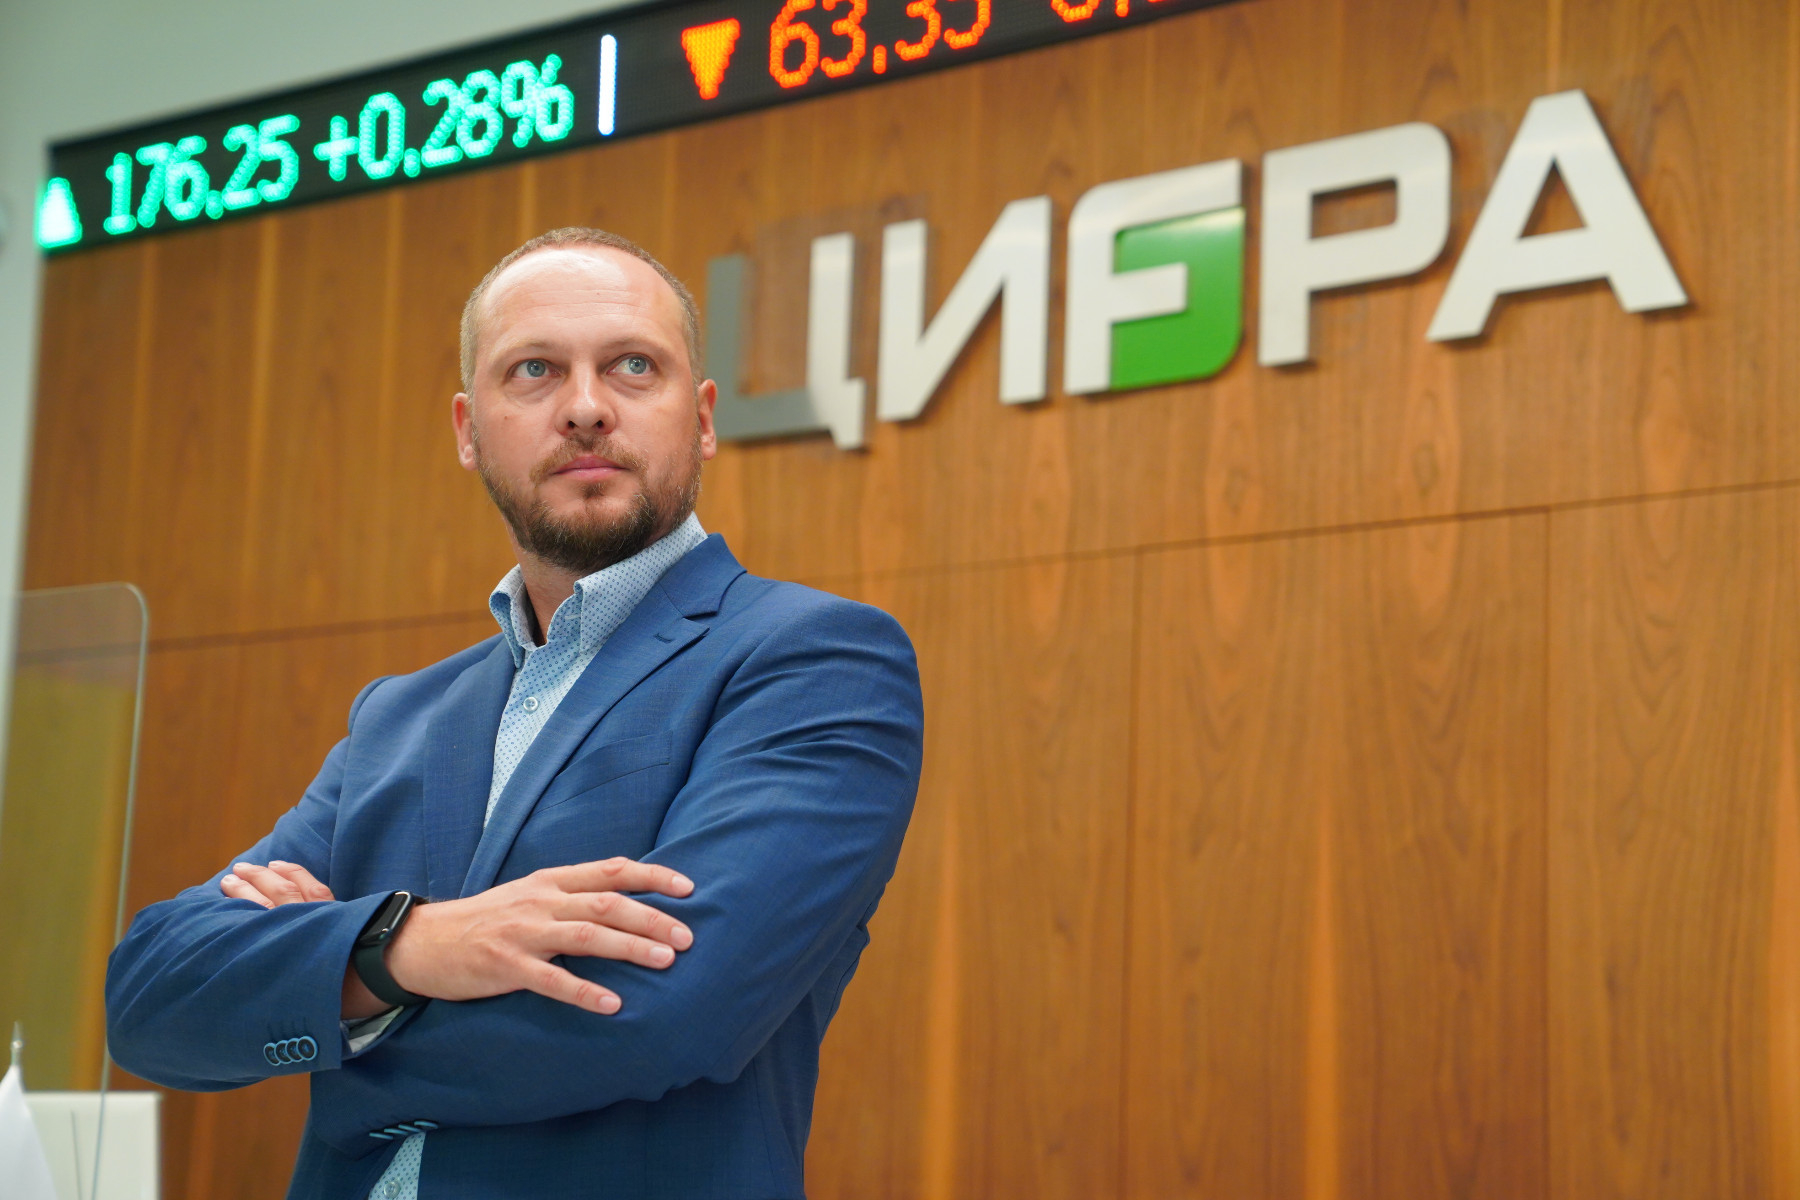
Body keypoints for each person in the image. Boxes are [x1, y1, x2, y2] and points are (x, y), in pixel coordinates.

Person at [104, 227, 925, 1199]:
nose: (586, 407)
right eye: (534, 370)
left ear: (703, 418)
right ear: (468, 429)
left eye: (633, 366)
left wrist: (332, 1024)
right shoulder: (398, 719)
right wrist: (409, 947)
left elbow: (660, 1011)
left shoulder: (814, 659)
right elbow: (151, 998)